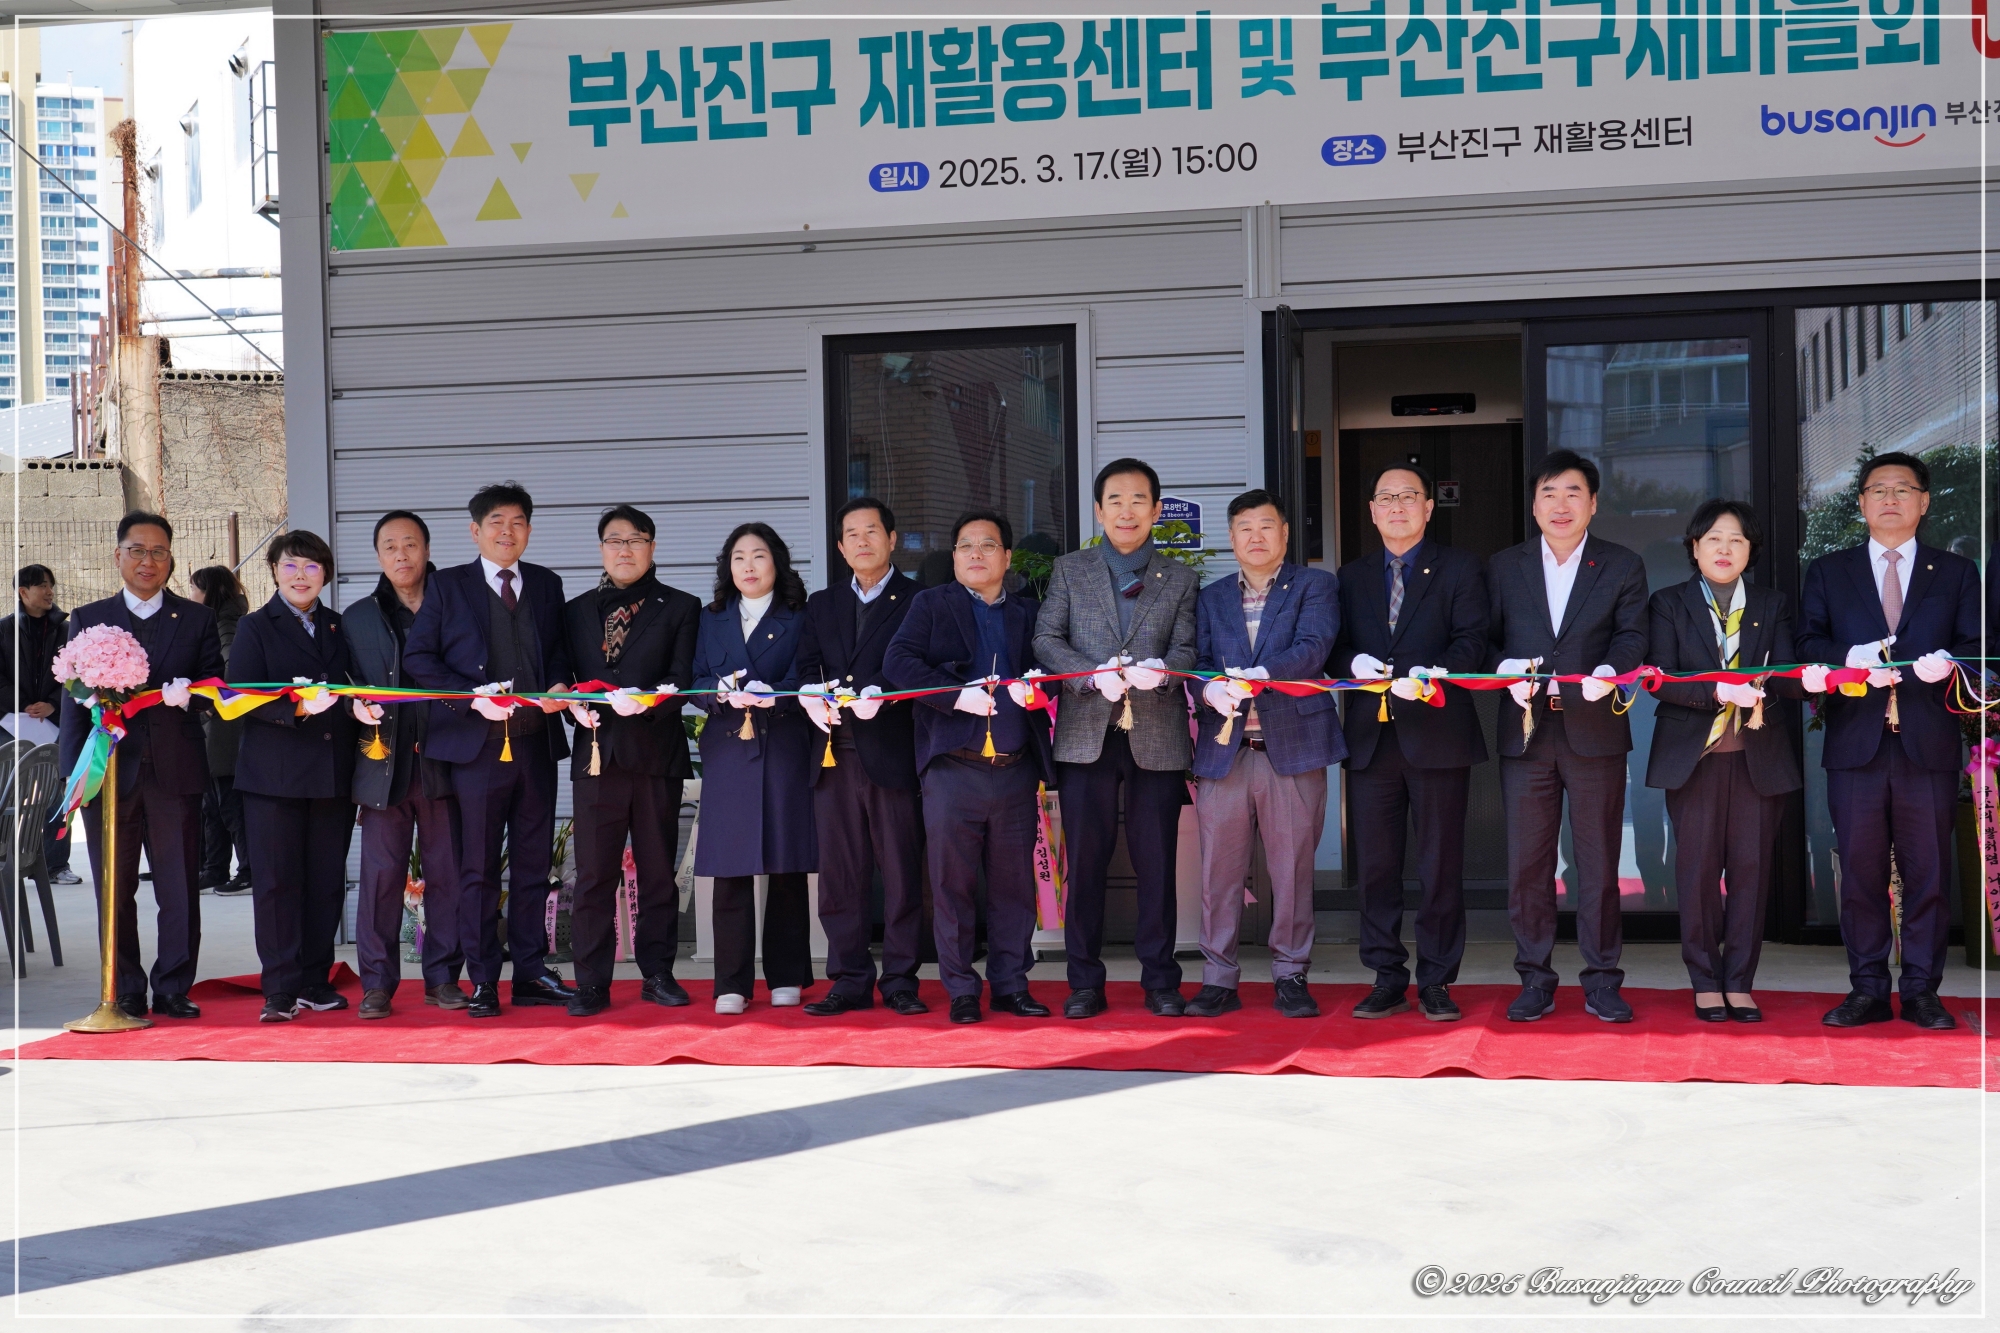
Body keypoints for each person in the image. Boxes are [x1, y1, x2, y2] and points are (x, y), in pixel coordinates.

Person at [1797, 451, 1981, 1031]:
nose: (1891, 499)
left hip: (1927, 745)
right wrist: (1844, 661)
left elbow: (1979, 649)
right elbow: (1807, 644)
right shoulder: (1829, 571)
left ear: (1924, 502)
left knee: (1928, 875)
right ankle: (1868, 989)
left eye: (1904, 489)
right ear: (1861, 504)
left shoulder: (1955, 573)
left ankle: (1923, 991)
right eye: (1878, 490)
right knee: (1860, 872)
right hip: (1857, 746)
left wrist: (1951, 665)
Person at [1031, 457, 1199, 1019]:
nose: (1127, 512)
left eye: (1138, 501)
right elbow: (1046, 638)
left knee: (1157, 863)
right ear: (1099, 510)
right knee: (1087, 859)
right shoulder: (1070, 570)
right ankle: (1084, 981)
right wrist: (1087, 675)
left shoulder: (1179, 577)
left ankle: (1161, 981)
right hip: (1085, 734)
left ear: (1156, 509)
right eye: (1116, 501)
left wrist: (1164, 669)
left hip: (1157, 732)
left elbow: (1188, 648)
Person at [1486, 450, 1649, 1024]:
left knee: (1599, 861)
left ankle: (1603, 979)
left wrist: (1610, 671)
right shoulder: (1506, 566)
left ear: (1594, 504)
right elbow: (1483, 642)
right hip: (1527, 728)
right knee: (1529, 864)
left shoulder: (1622, 565)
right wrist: (1504, 670)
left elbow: (1634, 637)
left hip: (1595, 727)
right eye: (1549, 493)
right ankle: (1534, 979)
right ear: (1534, 504)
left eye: (1573, 493)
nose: (1561, 505)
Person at [405, 481, 575, 1020]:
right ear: (476, 531)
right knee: (477, 867)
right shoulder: (449, 586)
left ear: (529, 529)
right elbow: (419, 659)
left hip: (535, 747)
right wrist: (469, 700)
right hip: (476, 752)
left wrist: (560, 689)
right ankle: (482, 979)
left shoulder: (547, 585)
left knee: (533, 864)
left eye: (519, 521)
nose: (508, 531)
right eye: (497, 522)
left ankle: (530, 971)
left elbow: (561, 657)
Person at [1329, 465, 1491, 1022]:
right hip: (1372, 738)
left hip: (1439, 734)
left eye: (1408, 497)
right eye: (1386, 498)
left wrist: (1435, 673)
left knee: (1440, 865)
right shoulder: (1349, 577)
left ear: (1428, 507)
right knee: (1375, 867)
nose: (1397, 506)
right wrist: (1351, 661)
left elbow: (1475, 639)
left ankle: (1438, 981)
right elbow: (1333, 646)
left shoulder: (1462, 568)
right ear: (1372, 510)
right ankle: (1385, 975)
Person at [884, 510, 1055, 1024]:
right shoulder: (929, 605)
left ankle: (1010, 984)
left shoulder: (1028, 612)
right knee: (951, 884)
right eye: (965, 546)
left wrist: (1039, 688)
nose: (976, 554)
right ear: (954, 557)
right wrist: (955, 697)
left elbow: (1051, 669)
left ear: (1007, 557)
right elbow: (898, 664)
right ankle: (960, 987)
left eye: (987, 545)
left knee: (1014, 888)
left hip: (1015, 766)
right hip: (952, 769)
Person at [58, 513, 224, 1020]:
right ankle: (124, 984)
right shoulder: (89, 619)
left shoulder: (195, 619)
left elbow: (217, 685)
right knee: (116, 883)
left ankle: (173, 984)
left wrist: (191, 695)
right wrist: (74, 776)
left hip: (175, 769)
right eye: (137, 550)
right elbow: (71, 703)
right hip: (109, 771)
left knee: (178, 884)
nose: (147, 561)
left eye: (158, 552)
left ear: (171, 559)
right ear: (118, 556)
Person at [1645, 500, 1803, 1023]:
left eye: (1736, 540)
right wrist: (1715, 691)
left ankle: (1739, 982)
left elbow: (1782, 673)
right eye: (1713, 539)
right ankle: (1704, 980)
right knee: (1696, 874)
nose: (1724, 549)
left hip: (1759, 757)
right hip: (1695, 760)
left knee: (1752, 874)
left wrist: (1811, 680)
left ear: (1750, 550)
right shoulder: (1668, 603)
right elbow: (1660, 680)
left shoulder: (1771, 602)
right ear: (1694, 548)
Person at [1187, 491, 1341, 1020]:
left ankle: (1291, 973)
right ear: (1231, 539)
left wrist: (1263, 675)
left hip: (1293, 751)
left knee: (1293, 870)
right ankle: (1217, 978)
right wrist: (1208, 689)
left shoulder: (1315, 585)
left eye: (1266, 527)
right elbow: (1198, 661)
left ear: (1285, 534)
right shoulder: (1210, 598)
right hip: (1226, 751)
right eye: (1244, 528)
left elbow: (1313, 647)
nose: (1256, 537)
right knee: (1218, 874)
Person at [559, 504, 701, 1017]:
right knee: (594, 873)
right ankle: (592, 982)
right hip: (596, 753)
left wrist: (644, 705)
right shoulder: (574, 610)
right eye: (614, 540)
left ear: (652, 548)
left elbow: (682, 677)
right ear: (601, 549)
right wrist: (575, 707)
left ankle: (658, 972)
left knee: (658, 869)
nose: (625, 549)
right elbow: (561, 675)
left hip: (654, 750)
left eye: (635, 540)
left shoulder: (682, 606)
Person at [796, 497, 928, 1016]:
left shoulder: (920, 599)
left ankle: (900, 979)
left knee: (900, 871)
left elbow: (923, 667)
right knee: (840, 873)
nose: (862, 541)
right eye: (851, 534)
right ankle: (849, 977)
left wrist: (882, 693)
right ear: (840, 546)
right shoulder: (821, 604)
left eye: (872, 530)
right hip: (832, 755)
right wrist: (813, 696)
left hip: (892, 752)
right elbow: (807, 665)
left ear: (892, 538)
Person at [229, 531, 358, 1023]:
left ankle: (315, 979)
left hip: (331, 775)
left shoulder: (337, 626)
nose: (301, 576)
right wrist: (297, 710)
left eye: (311, 567)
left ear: (324, 574)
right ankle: (280, 987)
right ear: (274, 572)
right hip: (273, 779)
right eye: (290, 566)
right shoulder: (255, 627)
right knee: (278, 883)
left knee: (325, 882)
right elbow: (241, 695)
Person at [689, 522, 817, 1014]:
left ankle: (786, 975)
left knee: (785, 864)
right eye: (738, 557)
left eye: (758, 556)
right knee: (731, 867)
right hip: (728, 748)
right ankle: (731, 983)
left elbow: (805, 675)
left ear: (777, 563)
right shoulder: (711, 618)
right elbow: (695, 677)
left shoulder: (800, 618)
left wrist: (775, 697)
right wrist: (714, 693)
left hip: (783, 745)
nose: (748, 566)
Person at [344, 511, 466, 1018]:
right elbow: (338, 687)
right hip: (383, 765)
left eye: (410, 544)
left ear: (427, 549)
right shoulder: (356, 618)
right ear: (377, 555)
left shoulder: (459, 606)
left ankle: (443, 979)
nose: (401, 554)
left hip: (446, 763)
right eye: (390, 546)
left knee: (449, 875)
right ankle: (377, 984)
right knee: (380, 876)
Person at [1, 564, 77, 883]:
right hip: (9, 723)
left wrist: (54, 704)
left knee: (57, 793)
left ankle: (57, 865)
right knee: (8, 792)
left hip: (54, 723)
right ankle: (7, 859)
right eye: (42, 586)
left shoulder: (66, 630)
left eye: (51, 585)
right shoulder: (3, 630)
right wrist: (20, 704)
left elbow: (76, 675)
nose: (49, 592)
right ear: (23, 592)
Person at [187, 565, 253, 896]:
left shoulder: (228, 625)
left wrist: (206, 696)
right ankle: (214, 868)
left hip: (225, 729)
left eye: (195, 589)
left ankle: (248, 869)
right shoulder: (216, 622)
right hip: (214, 727)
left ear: (210, 592)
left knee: (229, 803)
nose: (191, 595)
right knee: (211, 803)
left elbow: (231, 672)